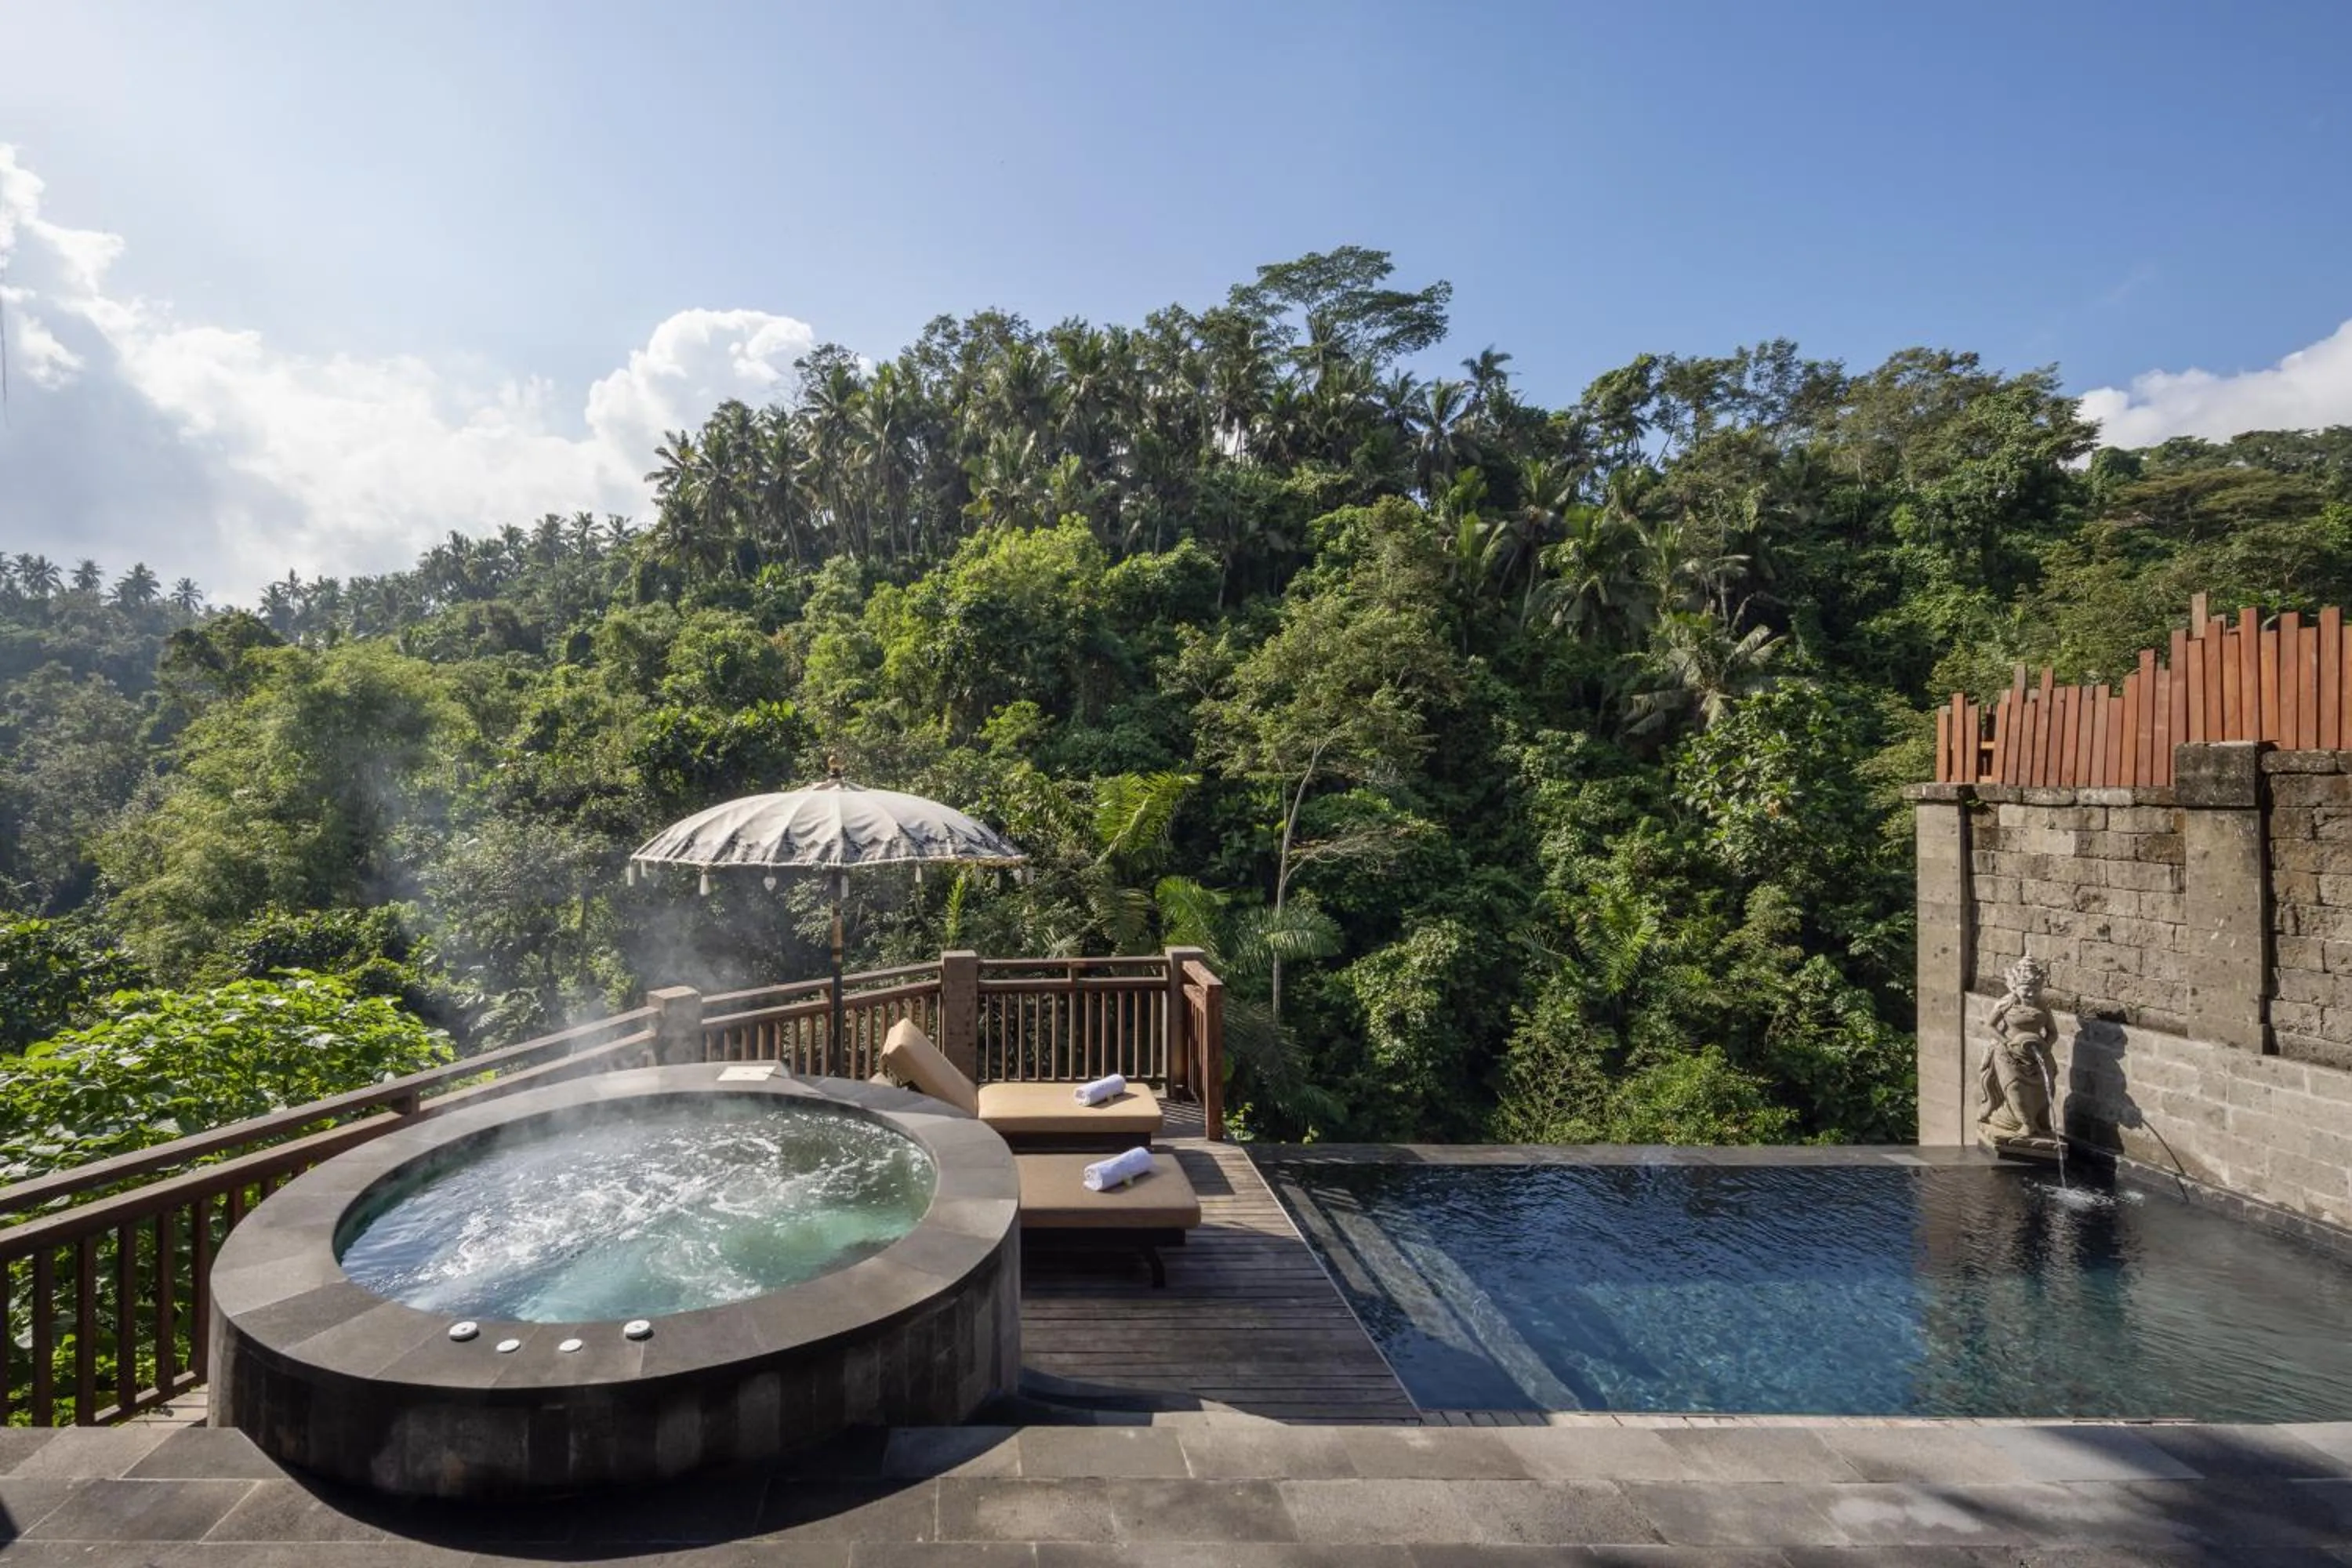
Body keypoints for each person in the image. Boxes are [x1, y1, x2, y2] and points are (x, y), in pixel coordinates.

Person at [1979, 956, 2058, 1145]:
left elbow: (2053, 1032)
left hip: (2037, 1053)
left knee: (2047, 1085)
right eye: (2026, 989)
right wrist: (2005, 1042)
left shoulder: (2042, 1006)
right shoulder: (2006, 1003)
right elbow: (1990, 1026)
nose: (2030, 994)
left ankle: (2040, 1119)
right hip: (2008, 1053)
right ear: (2015, 986)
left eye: (2035, 990)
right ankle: (2026, 1123)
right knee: (2014, 1086)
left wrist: (2047, 1045)